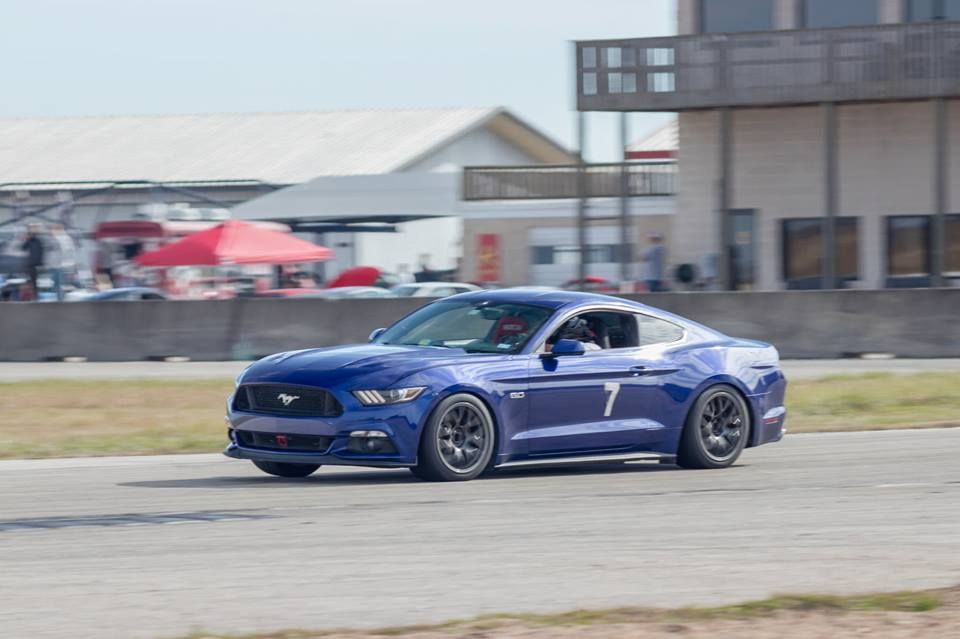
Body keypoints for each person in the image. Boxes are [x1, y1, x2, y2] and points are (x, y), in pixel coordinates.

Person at [48, 224, 77, 301]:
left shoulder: (63, 239)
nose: (52, 231)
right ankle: (61, 300)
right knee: (58, 285)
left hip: (61, 266)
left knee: (60, 285)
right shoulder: (60, 238)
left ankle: (61, 301)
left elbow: (66, 253)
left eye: (53, 230)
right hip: (59, 266)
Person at [20, 223, 45, 300]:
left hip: (37, 263)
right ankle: (32, 295)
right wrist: (26, 239)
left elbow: (41, 251)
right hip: (31, 264)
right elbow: (23, 248)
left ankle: (35, 295)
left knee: (35, 281)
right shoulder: (29, 240)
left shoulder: (39, 240)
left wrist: (41, 262)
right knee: (32, 280)